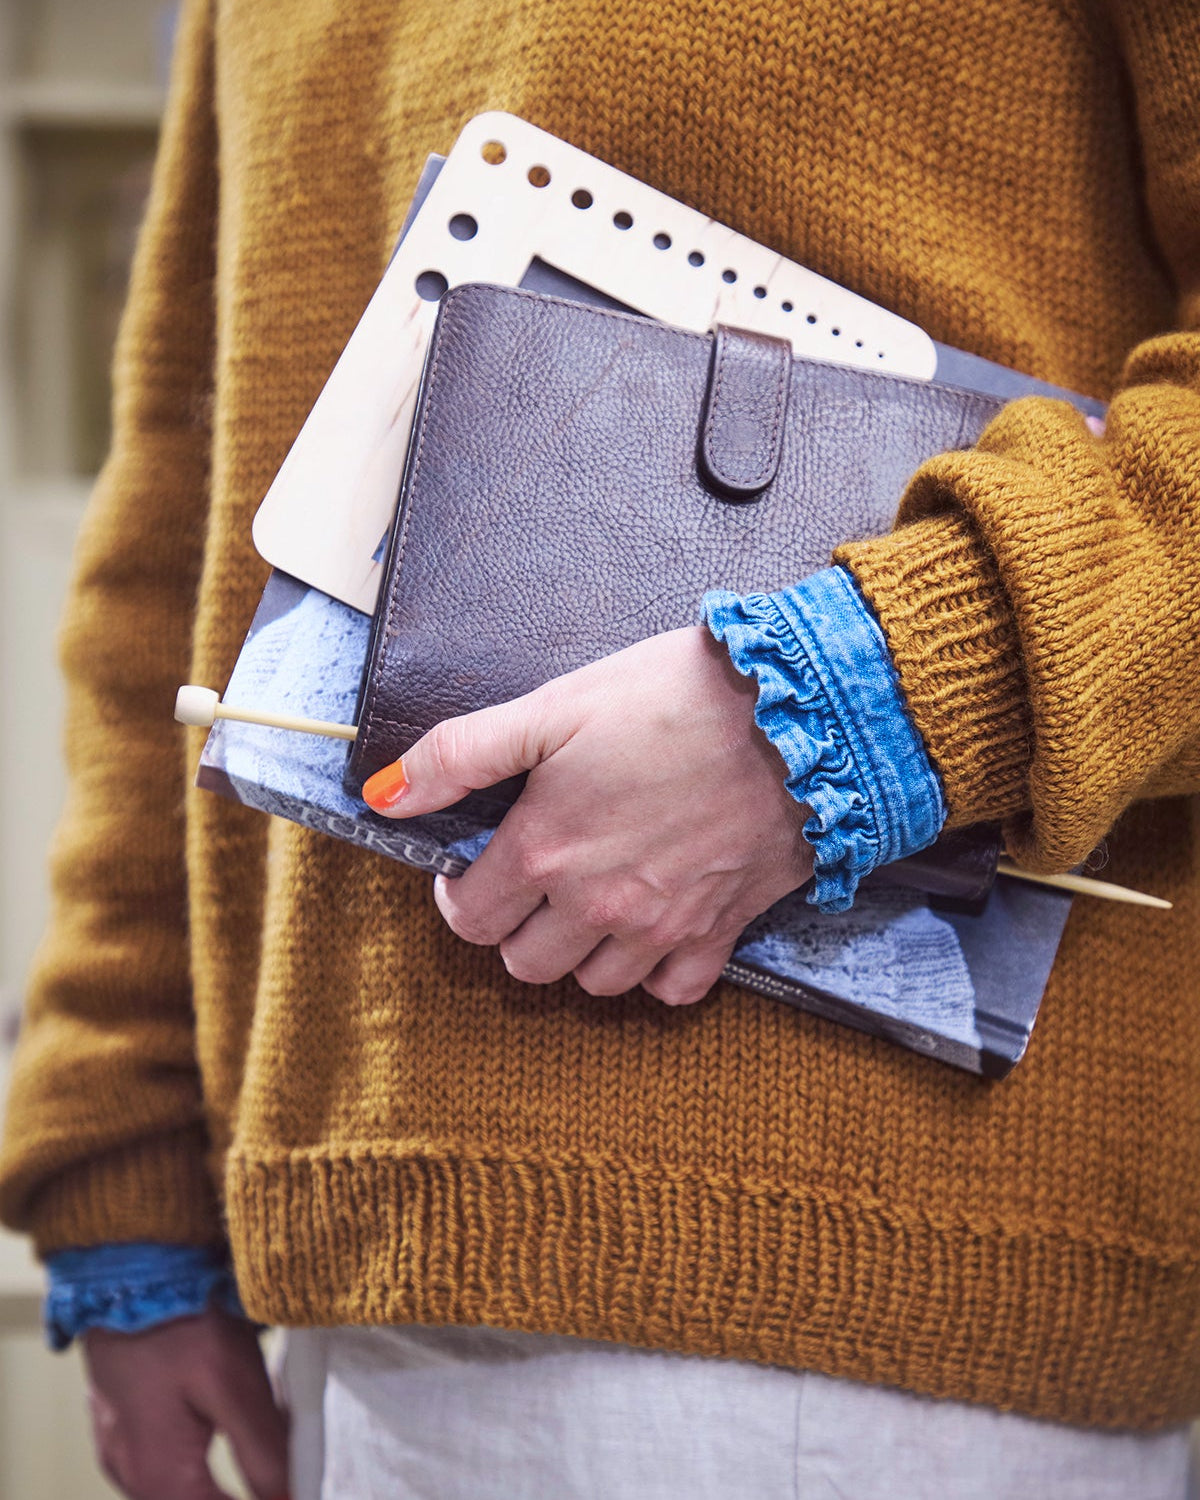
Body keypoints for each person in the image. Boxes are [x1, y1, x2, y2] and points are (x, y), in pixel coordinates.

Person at [2, 0, 1199, 1496]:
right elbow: (189, 500)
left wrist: (864, 700)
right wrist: (123, 1151)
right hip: (344, 1283)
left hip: (873, 1300)